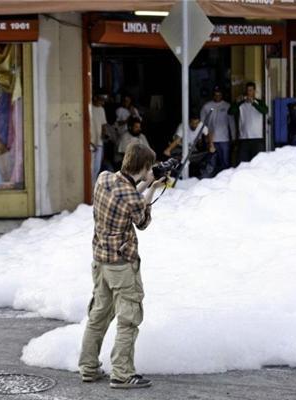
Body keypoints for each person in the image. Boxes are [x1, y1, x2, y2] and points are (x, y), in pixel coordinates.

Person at [79, 142, 166, 389]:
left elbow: (126, 192)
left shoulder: (104, 179)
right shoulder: (132, 198)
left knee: (98, 315)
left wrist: (147, 183)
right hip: (122, 266)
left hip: (100, 261)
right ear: (145, 167)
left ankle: (88, 368)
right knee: (129, 318)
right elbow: (142, 220)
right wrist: (152, 189)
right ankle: (122, 373)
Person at [163, 114, 215, 178]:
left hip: (191, 147)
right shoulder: (183, 126)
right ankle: (176, 177)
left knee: (200, 159)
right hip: (179, 146)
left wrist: (211, 145)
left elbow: (208, 134)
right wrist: (168, 150)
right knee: (178, 162)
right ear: (189, 122)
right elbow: (177, 140)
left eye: (197, 123)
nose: (195, 125)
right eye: (193, 123)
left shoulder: (201, 125)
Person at [229, 81, 269, 163]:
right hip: (244, 138)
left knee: (257, 162)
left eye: (251, 90)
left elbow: (265, 111)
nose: (249, 92)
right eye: (247, 90)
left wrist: (253, 103)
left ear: (254, 91)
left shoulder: (259, 102)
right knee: (243, 163)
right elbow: (230, 112)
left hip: (257, 137)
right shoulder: (241, 103)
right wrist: (237, 102)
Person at [201, 86, 235, 174]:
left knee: (225, 162)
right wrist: (204, 137)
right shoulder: (207, 106)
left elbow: (231, 123)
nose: (217, 97)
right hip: (211, 140)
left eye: (219, 95)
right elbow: (202, 123)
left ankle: (226, 179)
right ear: (213, 95)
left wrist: (234, 137)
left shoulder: (227, 106)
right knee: (211, 162)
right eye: (216, 95)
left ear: (222, 95)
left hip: (224, 139)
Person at [91, 94, 108, 184]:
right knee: (90, 168)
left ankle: (93, 188)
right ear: (95, 97)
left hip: (99, 142)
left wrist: (104, 133)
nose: (102, 102)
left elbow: (103, 124)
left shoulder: (101, 109)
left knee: (97, 168)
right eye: (101, 100)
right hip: (90, 142)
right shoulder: (89, 108)